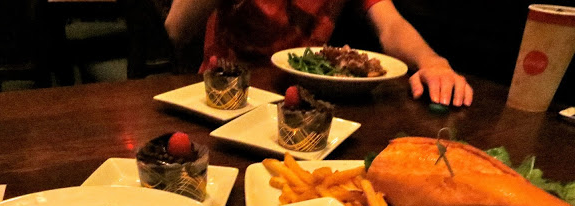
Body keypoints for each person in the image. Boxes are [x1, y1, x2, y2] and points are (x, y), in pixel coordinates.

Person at [164, 0, 473, 107]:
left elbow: (390, 25)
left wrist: (432, 61)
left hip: (306, 104)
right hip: (225, 100)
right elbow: (176, 29)